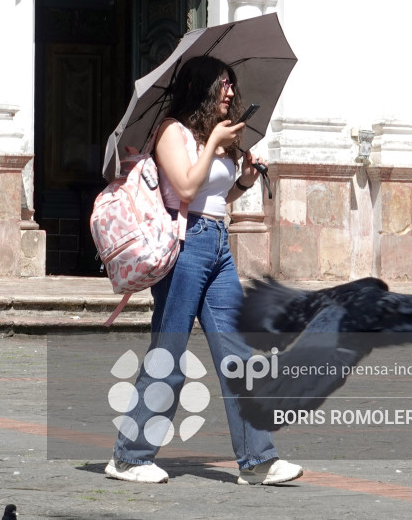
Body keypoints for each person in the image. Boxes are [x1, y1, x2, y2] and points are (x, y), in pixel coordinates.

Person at [105, 55, 303, 486]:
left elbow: (216, 197)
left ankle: (258, 460)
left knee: (239, 355)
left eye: (231, 84)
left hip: (217, 243)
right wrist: (213, 143)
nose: (230, 92)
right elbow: (186, 189)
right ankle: (129, 456)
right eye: (222, 84)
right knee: (169, 354)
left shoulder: (213, 137)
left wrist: (246, 180)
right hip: (185, 245)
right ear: (201, 89)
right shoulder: (171, 132)